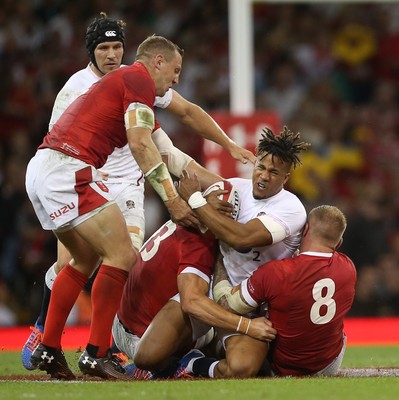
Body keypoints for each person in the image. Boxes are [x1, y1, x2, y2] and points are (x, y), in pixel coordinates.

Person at [22, 13, 254, 374]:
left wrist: (227, 146)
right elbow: (142, 142)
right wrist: (173, 200)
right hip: (74, 172)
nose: (177, 79)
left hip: (44, 169)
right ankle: (96, 352)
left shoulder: (126, 81)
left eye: (118, 47)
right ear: (157, 62)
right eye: (175, 71)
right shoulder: (135, 81)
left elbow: (180, 123)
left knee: (83, 262)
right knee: (122, 257)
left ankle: (49, 347)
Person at [176, 126, 310, 378]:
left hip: (253, 307)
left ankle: (193, 362)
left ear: (286, 178)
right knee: (149, 354)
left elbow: (240, 238)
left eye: (274, 172)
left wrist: (196, 201)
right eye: (260, 167)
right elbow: (184, 168)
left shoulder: (291, 208)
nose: (263, 176)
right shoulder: (233, 187)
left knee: (241, 369)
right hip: (215, 293)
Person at [111, 182, 277, 380]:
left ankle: (205, 350)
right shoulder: (200, 240)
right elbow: (192, 302)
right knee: (207, 299)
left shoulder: (187, 215)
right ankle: (189, 362)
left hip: (124, 323)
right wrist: (247, 326)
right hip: (141, 341)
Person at [190, 205, 357, 378]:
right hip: (329, 365)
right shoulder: (348, 268)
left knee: (256, 317)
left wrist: (221, 260)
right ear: (339, 243)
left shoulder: (277, 272)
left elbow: (228, 303)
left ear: (305, 229)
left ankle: (203, 357)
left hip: (283, 368)